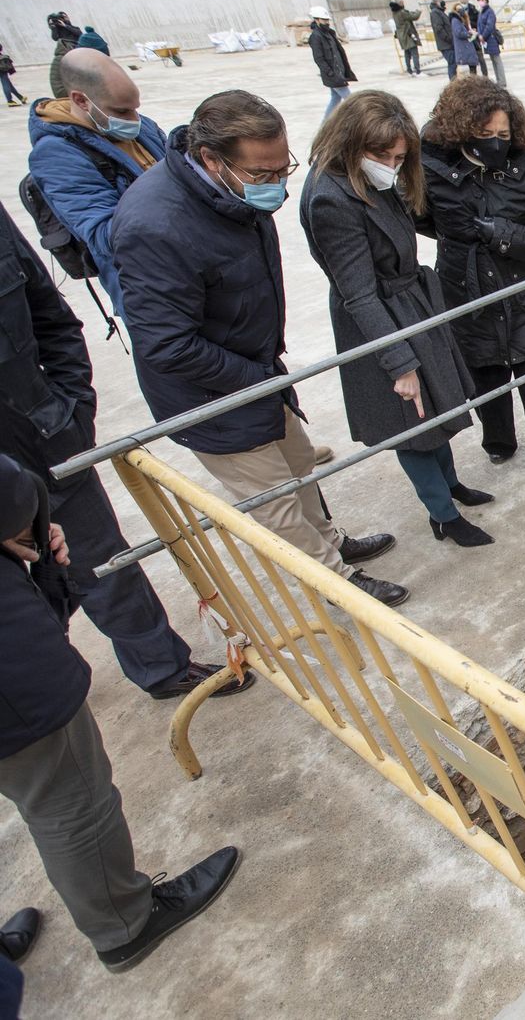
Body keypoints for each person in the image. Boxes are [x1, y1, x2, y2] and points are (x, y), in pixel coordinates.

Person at [111, 90, 408, 604]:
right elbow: (167, 345)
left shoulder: (230, 193)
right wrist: (258, 379)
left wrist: (268, 372)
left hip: (258, 370)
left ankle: (332, 543)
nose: (275, 185)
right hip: (214, 398)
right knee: (274, 502)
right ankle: (337, 584)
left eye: (281, 170)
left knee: (298, 468)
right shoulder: (156, 227)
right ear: (210, 158)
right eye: (263, 175)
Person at [0, 453, 242, 976]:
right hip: (14, 689)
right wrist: (30, 516)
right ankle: (125, 924)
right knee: (68, 799)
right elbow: (12, 489)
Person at [0, 199, 252, 700]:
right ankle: (33, 696)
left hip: (42, 438)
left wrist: (71, 408)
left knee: (100, 564)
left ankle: (160, 666)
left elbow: (50, 315)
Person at [301, 90, 496, 548]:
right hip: (381, 321)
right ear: (349, 144)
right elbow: (359, 294)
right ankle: (443, 516)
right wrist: (399, 362)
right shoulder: (331, 199)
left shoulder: (372, 177)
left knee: (437, 409)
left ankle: (450, 486)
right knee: (413, 426)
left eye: (399, 156)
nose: (391, 164)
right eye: (381, 155)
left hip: (409, 304)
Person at [418, 77, 525, 482]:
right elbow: (423, 220)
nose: (495, 142)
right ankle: (499, 442)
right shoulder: (431, 169)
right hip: (466, 291)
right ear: (460, 130)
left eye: (503, 134)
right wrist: (459, 246)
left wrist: (496, 232)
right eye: (484, 134)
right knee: (486, 376)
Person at [27, 49, 165, 319]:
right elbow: (106, 235)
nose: (134, 119)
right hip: (147, 290)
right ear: (81, 99)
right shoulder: (56, 155)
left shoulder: (139, 126)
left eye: (136, 108)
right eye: (122, 110)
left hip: (191, 270)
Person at [308, 7, 356, 119]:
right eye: (324, 20)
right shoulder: (316, 37)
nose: (327, 22)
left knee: (335, 98)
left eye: (327, 20)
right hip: (333, 75)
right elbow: (319, 58)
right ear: (317, 20)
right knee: (351, 101)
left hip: (338, 72)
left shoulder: (329, 33)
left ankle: (324, 125)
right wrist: (330, 72)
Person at [46, 12, 80, 99]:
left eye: (65, 17)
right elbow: (55, 38)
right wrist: (53, 28)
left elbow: (78, 33)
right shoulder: (61, 58)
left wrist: (65, 25)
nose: (64, 19)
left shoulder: (73, 28)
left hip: (76, 52)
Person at [475, 0, 506, 86]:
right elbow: (479, 25)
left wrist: (483, 36)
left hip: (491, 38)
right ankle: (499, 80)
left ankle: (502, 81)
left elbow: (489, 26)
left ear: (486, 0)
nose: (481, 1)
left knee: (497, 59)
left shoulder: (489, 12)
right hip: (485, 40)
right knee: (493, 60)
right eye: (479, 0)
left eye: (482, 0)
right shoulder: (481, 12)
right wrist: (480, 35)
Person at [391, 0, 422, 76]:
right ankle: (417, 69)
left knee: (407, 53)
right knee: (414, 53)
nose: (403, 3)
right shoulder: (402, 12)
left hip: (402, 36)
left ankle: (409, 69)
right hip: (408, 35)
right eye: (402, 2)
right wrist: (418, 11)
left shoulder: (395, 13)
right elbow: (414, 16)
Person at [450, 2, 481, 78]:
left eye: (461, 9)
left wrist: (470, 32)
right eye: (458, 9)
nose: (460, 11)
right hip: (464, 48)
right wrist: (469, 34)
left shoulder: (463, 19)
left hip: (468, 46)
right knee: (468, 70)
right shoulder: (455, 20)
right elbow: (459, 33)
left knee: (473, 68)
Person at [429, 0, 456, 80]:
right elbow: (439, 29)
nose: (442, 1)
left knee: (453, 64)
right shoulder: (435, 13)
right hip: (446, 44)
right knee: (452, 64)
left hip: (448, 43)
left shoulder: (440, 11)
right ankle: (453, 84)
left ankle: (454, 83)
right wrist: (449, 39)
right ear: (436, 1)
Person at [1, 43, 26, 108]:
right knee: (6, 84)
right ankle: (10, 101)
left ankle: (21, 97)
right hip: (1, 70)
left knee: (8, 84)